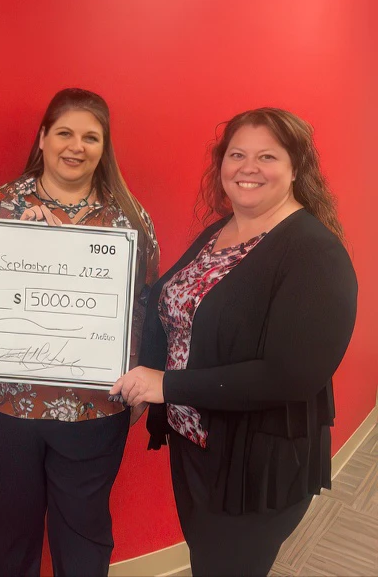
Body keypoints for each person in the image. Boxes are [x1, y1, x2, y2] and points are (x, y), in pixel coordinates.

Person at [110, 107, 358, 576]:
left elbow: (290, 376)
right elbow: (176, 311)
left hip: (256, 464)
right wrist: (145, 378)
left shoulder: (314, 253)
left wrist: (166, 385)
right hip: (197, 443)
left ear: (296, 168)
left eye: (267, 156)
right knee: (209, 562)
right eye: (237, 154)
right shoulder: (222, 230)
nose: (249, 168)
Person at [0, 88, 159, 576]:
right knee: (14, 531)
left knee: (83, 537)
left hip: (95, 406)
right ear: (43, 138)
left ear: (104, 146)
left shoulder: (128, 218)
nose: (76, 147)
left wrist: (141, 377)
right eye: (64, 133)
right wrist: (21, 249)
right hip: (7, 402)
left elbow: (143, 304)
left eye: (90, 137)